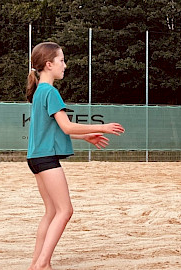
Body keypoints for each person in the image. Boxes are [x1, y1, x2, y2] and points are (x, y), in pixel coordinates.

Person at [26, 42, 125, 270]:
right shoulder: (50, 91)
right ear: (49, 65)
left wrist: (87, 136)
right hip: (46, 159)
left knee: (51, 212)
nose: (65, 65)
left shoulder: (40, 91)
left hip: (36, 158)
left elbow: (53, 130)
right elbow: (67, 127)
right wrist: (102, 128)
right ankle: (41, 264)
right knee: (65, 211)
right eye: (61, 60)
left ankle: (38, 264)